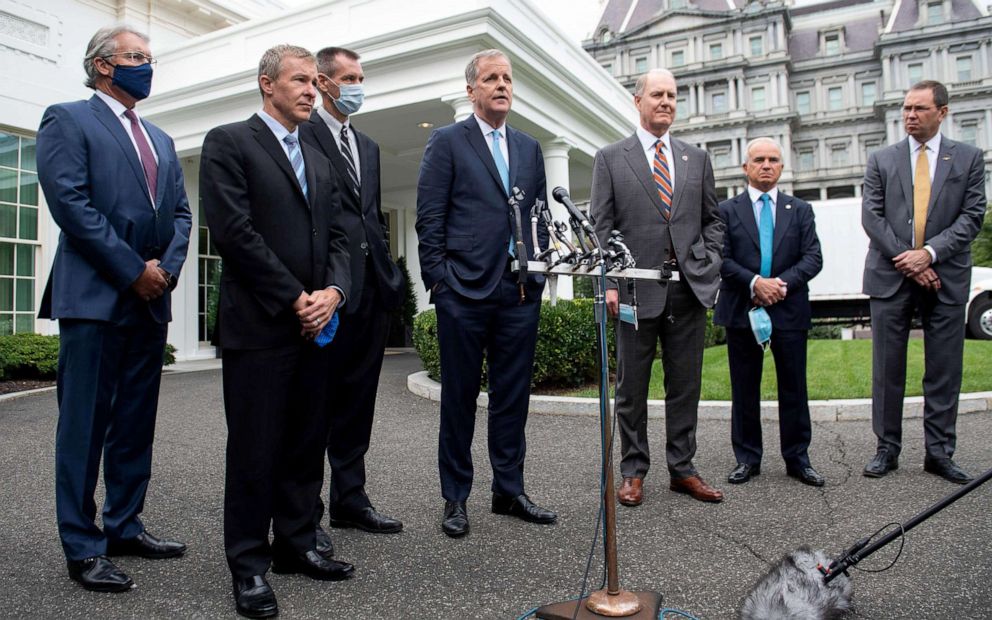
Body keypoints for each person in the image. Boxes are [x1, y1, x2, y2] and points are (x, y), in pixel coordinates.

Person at [200, 44, 354, 619]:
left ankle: (297, 544)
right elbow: (235, 233)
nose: (313, 90)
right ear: (267, 85)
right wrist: (295, 297)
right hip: (261, 327)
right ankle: (248, 565)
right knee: (254, 450)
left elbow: (341, 234)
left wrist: (334, 293)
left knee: (304, 444)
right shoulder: (229, 142)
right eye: (300, 80)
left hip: (315, 328)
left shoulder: (317, 155)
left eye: (316, 81)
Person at [36, 25, 191, 593]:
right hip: (97, 299)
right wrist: (134, 271)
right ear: (103, 65)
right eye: (135, 57)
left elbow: (179, 214)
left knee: (133, 425)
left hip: (150, 303)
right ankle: (82, 546)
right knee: (84, 427)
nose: (145, 67)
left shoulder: (163, 140)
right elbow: (70, 204)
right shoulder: (68, 118)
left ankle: (124, 524)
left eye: (149, 59)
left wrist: (166, 272)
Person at [416, 49, 555, 538]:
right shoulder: (448, 141)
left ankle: (509, 490)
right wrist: (441, 282)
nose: (502, 85)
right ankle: (455, 498)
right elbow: (429, 218)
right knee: (458, 397)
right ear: (472, 89)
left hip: (518, 293)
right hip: (464, 292)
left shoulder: (529, 147)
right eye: (492, 78)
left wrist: (535, 277)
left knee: (512, 397)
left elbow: (537, 217)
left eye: (508, 78)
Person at [590, 68, 725, 506]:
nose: (666, 101)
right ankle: (633, 471)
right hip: (633, 292)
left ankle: (682, 469)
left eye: (672, 95)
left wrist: (710, 261)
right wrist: (610, 281)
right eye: (657, 94)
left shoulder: (696, 159)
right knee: (632, 388)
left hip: (688, 291)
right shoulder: (611, 158)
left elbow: (712, 221)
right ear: (638, 101)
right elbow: (601, 227)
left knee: (685, 386)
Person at [299, 46, 405, 544]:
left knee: (358, 400)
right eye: (349, 77)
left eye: (362, 76)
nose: (358, 85)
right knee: (315, 403)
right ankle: (306, 513)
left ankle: (350, 498)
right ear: (323, 82)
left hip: (372, 291)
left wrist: (390, 275)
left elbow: (369, 218)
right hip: (326, 291)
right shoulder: (302, 134)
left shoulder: (368, 146)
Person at [861, 80, 986, 484]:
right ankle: (887, 448)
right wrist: (910, 260)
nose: (909, 116)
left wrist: (929, 254)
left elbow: (971, 217)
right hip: (891, 276)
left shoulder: (968, 158)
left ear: (942, 112)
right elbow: (872, 217)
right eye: (906, 108)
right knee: (887, 367)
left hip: (944, 278)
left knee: (944, 368)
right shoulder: (881, 159)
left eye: (919, 109)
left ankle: (939, 452)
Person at [713, 138, 824, 487]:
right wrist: (754, 283)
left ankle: (798, 459)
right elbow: (720, 258)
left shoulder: (800, 210)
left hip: (788, 309)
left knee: (794, 387)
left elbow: (812, 258)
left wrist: (778, 285)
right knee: (745, 389)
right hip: (741, 309)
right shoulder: (726, 211)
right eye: (758, 159)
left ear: (782, 166)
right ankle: (747, 459)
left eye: (773, 160)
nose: (766, 165)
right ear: (745, 167)